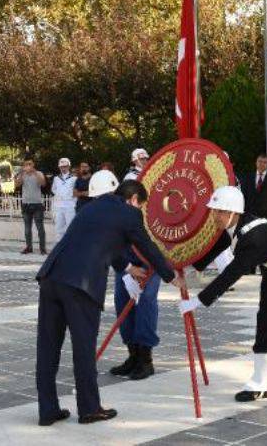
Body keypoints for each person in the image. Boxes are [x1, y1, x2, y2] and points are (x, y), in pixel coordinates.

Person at [34, 173, 181, 426]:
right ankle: (89, 409)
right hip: (80, 286)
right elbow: (145, 245)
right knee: (83, 349)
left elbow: (102, 243)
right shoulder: (129, 214)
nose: (141, 212)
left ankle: (47, 410)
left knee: (47, 348)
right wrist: (171, 275)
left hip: (51, 278)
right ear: (134, 199)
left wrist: (127, 267)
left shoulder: (91, 209)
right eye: (141, 206)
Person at [179, 186, 267, 411]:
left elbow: (231, 274)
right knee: (265, 323)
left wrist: (198, 301)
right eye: (214, 210)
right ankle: (261, 383)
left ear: (233, 212)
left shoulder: (252, 237)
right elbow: (214, 249)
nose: (215, 215)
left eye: (220, 211)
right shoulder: (235, 227)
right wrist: (186, 267)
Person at [106, 149, 161, 381]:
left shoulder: (155, 188)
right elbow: (111, 241)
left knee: (146, 303)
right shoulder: (123, 195)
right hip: (126, 261)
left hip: (149, 259)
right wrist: (127, 268)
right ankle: (133, 355)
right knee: (122, 303)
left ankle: (145, 359)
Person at [16, 158, 47, 255]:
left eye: (30, 164)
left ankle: (42, 248)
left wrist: (34, 172)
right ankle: (29, 247)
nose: (28, 166)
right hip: (26, 204)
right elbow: (17, 185)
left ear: (33, 165)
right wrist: (21, 173)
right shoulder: (23, 175)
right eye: (26, 164)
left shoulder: (39, 173)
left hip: (37, 204)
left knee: (40, 227)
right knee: (27, 228)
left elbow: (43, 183)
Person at [241, 153, 267, 221]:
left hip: (265, 216)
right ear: (256, 163)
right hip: (248, 215)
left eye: (265, 162)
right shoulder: (248, 177)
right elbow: (243, 195)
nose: (262, 164)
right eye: (260, 161)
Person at [51, 157, 76, 240]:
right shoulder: (56, 178)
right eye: (61, 166)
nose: (63, 168)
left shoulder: (74, 178)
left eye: (65, 166)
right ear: (59, 167)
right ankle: (59, 246)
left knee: (70, 227)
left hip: (70, 205)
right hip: (59, 206)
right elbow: (53, 189)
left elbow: (75, 191)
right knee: (59, 227)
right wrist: (59, 195)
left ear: (69, 166)